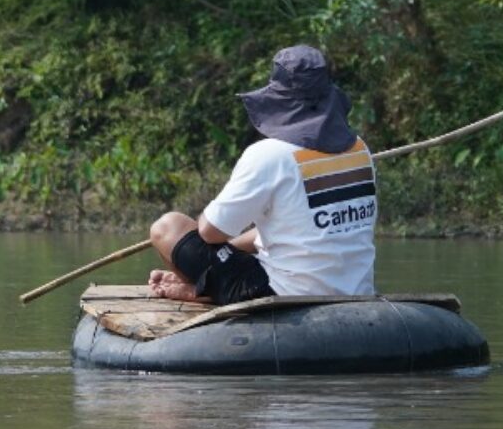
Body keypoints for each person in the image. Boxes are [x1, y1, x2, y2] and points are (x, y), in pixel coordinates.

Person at [147, 44, 377, 305]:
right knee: (236, 247)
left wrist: (213, 257)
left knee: (168, 227)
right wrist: (229, 252)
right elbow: (298, 230)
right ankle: (202, 287)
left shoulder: (269, 155)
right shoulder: (359, 149)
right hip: (357, 291)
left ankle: (203, 290)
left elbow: (210, 233)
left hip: (283, 295)